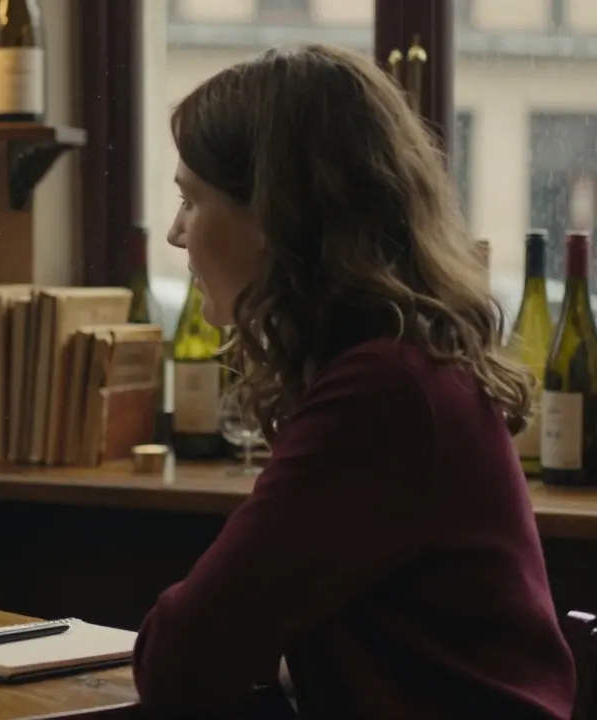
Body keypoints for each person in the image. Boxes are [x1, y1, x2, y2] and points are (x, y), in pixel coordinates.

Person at [134, 44, 575, 718]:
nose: (175, 233)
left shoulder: (382, 394)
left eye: (192, 200)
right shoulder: (404, 367)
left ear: (278, 215)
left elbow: (183, 653)